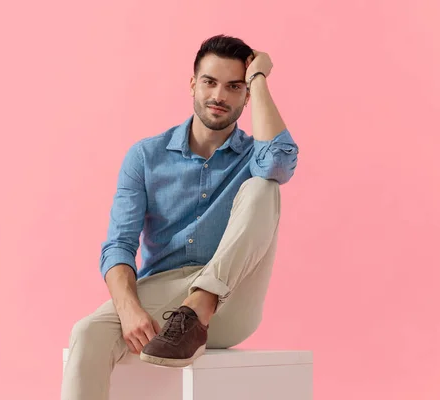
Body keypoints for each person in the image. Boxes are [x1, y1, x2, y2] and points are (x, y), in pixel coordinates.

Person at [61, 34, 299, 400]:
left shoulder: (254, 155)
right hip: (165, 297)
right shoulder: (145, 156)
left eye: (234, 86)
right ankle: (185, 315)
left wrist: (260, 78)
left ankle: (200, 305)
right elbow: (119, 245)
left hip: (230, 302)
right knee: (86, 333)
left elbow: (280, 163)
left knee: (264, 186)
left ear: (246, 97)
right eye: (210, 82)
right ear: (192, 84)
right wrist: (128, 308)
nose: (219, 96)